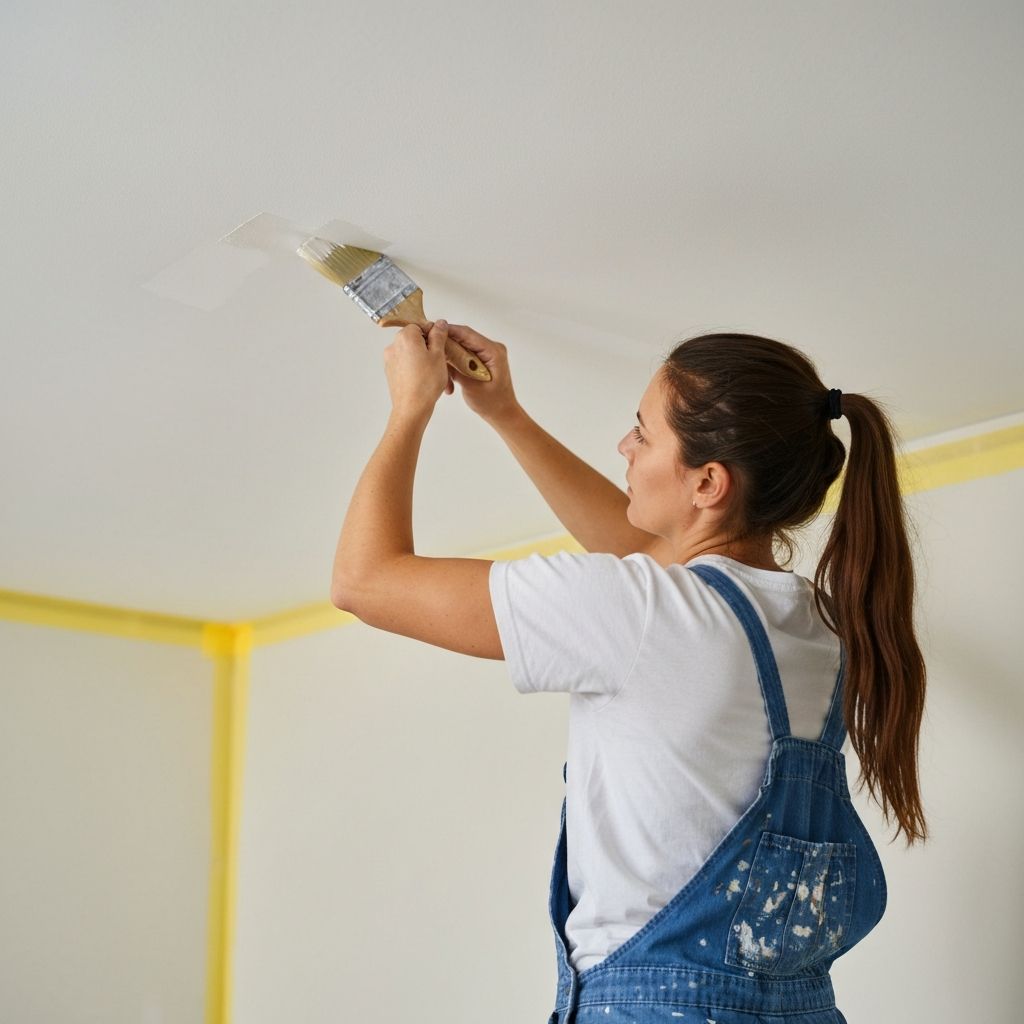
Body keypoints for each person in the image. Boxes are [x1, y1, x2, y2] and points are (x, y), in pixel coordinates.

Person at [332, 322, 928, 1024]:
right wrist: (506, 416)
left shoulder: (646, 611)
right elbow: (645, 552)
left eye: (642, 433)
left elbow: (364, 581)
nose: (625, 447)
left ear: (708, 482)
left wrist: (410, 407)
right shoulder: (823, 627)